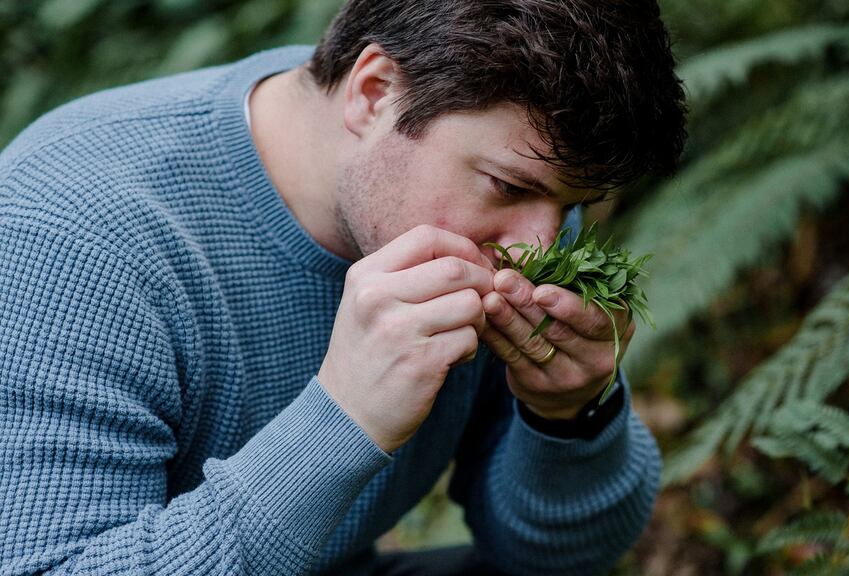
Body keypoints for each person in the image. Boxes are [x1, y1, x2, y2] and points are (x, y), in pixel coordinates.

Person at [0, 0, 686, 574]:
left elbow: (557, 557)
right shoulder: (74, 233)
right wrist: (342, 421)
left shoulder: (506, 198)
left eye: (571, 206)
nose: (539, 247)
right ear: (375, 91)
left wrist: (569, 416)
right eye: (510, 187)